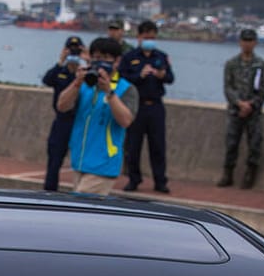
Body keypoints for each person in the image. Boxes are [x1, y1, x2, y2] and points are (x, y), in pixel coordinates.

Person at [56, 36, 137, 195]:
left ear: (116, 61)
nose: (100, 62)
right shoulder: (85, 85)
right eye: (96, 58)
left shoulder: (125, 89)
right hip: (80, 161)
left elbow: (126, 120)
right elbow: (62, 106)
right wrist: (77, 83)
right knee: (84, 214)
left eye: (106, 58)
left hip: (104, 164)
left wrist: (109, 92)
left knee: (77, 208)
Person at [119, 19, 176, 193]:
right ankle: (134, 179)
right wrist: (139, 75)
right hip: (136, 106)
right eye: (146, 37)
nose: (149, 40)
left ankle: (160, 181)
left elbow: (171, 78)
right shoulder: (130, 57)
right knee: (133, 146)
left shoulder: (161, 56)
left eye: (152, 37)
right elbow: (122, 78)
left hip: (156, 106)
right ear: (139, 37)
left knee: (158, 145)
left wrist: (161, 75)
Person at [219, 27, 264, 189]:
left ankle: (250, 174)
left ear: (255, 43)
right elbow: (228, 87)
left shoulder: (261, 65)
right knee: (231, 143)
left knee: (255, 143)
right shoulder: (231, 64)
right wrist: (239, 103)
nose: (247, 44)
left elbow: (262, 90)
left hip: (253, 113)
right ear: (240, 42)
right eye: (244, 41)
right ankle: (228, 173)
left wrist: (250, 105)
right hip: (235, 111)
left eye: (250, 41)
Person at [39, 37, 85, 192]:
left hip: (80, 120)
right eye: (70, 49)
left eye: (76, 49)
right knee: (54, 158)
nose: (73, 52)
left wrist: (87, 60)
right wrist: (61, 61)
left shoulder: (85, 73)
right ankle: (50, 192)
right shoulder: (60, 72)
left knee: (82, 161)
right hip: (62, 121)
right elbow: (47, 80)